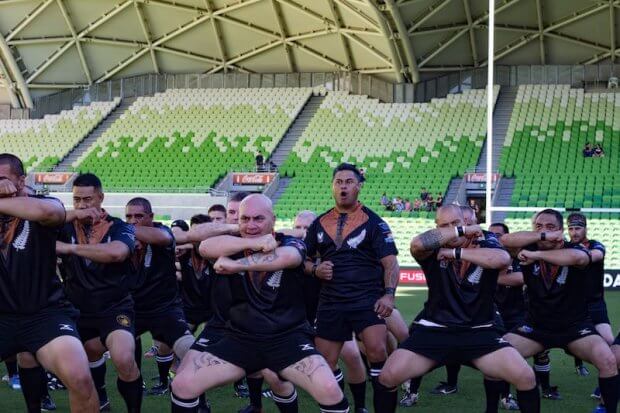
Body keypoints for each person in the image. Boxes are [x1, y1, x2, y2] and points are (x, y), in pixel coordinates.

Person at [171, 194, 349, 413]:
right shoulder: (233, 244)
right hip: (240, 339)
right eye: (245, 219)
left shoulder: (288, 241)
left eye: (258, 219)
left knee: (330, 389)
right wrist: (252, 241)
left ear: (273, 220)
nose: (251, 224)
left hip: (286, 338)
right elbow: (205, 247)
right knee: (182, 385)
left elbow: (289, 257)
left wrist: (237, 266)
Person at [378, 204, 540, 413]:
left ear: (466, 221)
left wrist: (454, 252)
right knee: (387, 377)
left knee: (525, 377)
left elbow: (501, 259)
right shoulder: (432, 245)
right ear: (437, 227)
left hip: (480, 330)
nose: (450, 229)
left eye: (455, 223)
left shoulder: (486, 239)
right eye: (444, 225)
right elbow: (416, 244)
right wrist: (458, 232)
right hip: (435, 329)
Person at [0, 154, 99, 413]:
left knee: (79, 377)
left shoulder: (43, 204)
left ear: (21, 181)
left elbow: (50, 212)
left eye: (2, 179)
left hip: (45, 314)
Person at [501, 209, 619, 413]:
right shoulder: (525, 247)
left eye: (550, 227)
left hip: (574, 327)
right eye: (538, 227)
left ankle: (607, 409)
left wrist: (536, 254)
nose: (543, 231)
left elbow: (578, 258)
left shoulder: (573, 249)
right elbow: (504, 240)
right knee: (498, 355)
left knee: (608, 360)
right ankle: (499, 403)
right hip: (535, 327)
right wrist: (543, 236)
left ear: (561, 231)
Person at [305, 163, 399, 412]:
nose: (343, 186)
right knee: (325, 362)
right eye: (339, 182)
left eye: (349, 182)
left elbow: (390, 262)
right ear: (332, 186)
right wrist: (315, 269)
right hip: (331, 301)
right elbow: (302, 259)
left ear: (358, 186)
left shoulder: (375, 223)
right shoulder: (318, 223)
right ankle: (344, 407)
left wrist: (389, 296)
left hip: (366, 299)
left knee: (378, 352)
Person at [56, 173, 142, 412]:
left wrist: (70, 248)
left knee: (124, 358)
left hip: (114, 307)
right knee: (87, 357)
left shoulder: (120, 226)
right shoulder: (62, 227)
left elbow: (117, 253)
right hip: (75, 310)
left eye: (88, 200)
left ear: (101, 198)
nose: (82, 206)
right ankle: (101, 397)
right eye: (77, 201)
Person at [125, 197, 195, 396]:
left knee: (190, 352)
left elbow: (164, 238)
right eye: (128, 216)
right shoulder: (122, 239)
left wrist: (121, 229)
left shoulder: (162, 231)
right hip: (131, 308)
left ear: (151, 217)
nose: (133, 220)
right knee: (110, 346)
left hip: (165, 309)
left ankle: (198, 401)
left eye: (139, 216)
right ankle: (108, 395)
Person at [566, 213, 613, 405]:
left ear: (585, 228)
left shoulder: (595, 245)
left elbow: (597, 255)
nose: (574, 232)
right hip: (572, 306)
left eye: (578, 228)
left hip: (595, 305)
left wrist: (576, 254)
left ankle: (604, 386)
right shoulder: (564, 248)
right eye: (570, 228)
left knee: (610, 345)